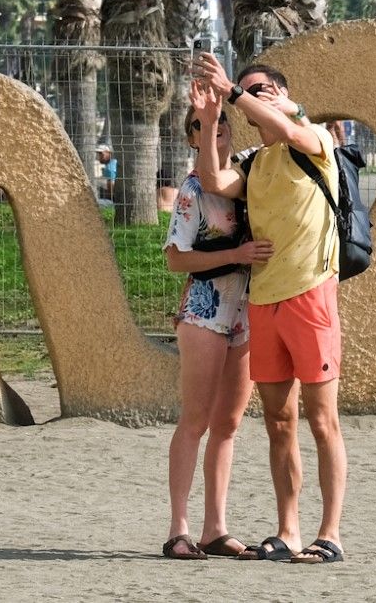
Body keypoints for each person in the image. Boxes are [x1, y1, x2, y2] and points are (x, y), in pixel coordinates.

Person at [193, 54, 347, 565]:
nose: (250, 97)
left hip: (311, 294)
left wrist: (239, 94)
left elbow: (289, 125)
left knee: (322, 422)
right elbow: (213, 182)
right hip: (264, 300)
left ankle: (331, 535)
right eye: (245, 91)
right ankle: (289, 531)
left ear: (282, 95)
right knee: (279, 421)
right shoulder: (256, 162)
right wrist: (213, 116)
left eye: (260, 90)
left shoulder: (314, 140)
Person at [160, 97, 270, 562]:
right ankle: (178, 529)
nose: (214, 127)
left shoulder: (246, 180)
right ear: (190, 136)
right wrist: (234, 256)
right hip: (205, 309)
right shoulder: (191, 191)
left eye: (221, 120)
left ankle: (215, 528)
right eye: (201, 124)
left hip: (245, 311)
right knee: (196, 420)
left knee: (228, 424)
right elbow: (175, 258)